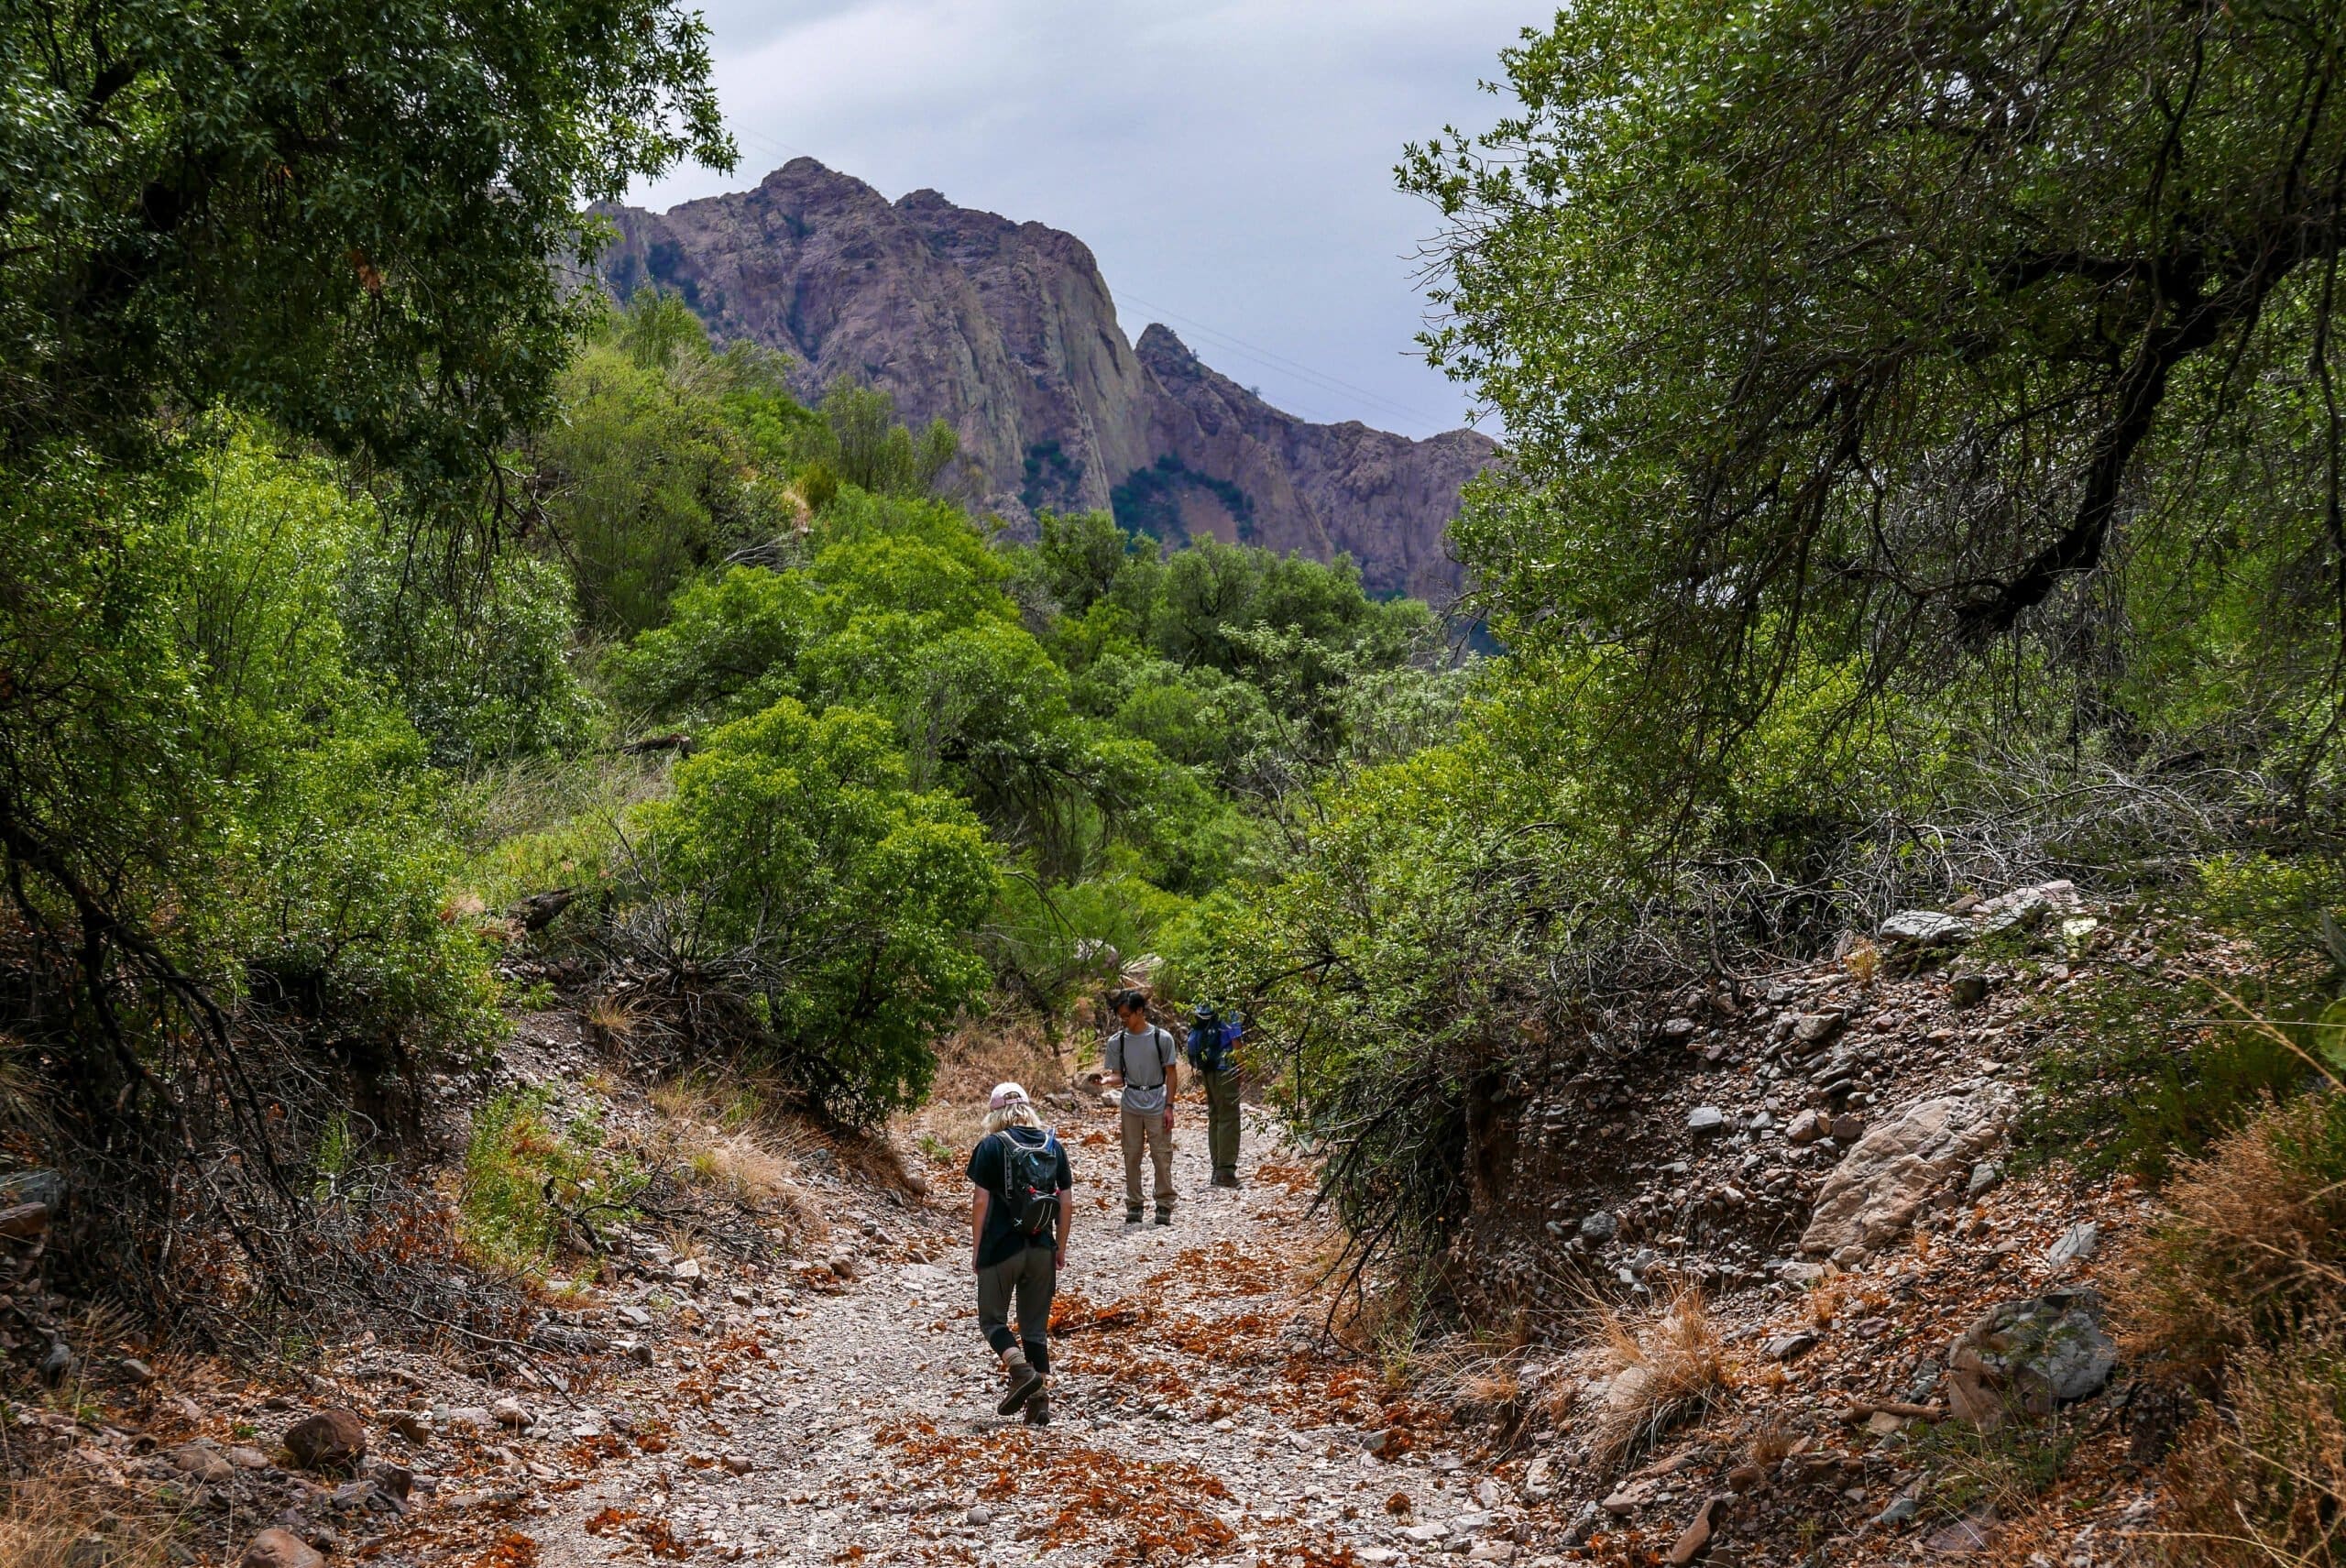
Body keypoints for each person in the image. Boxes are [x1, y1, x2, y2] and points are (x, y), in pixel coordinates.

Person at [965, 1081, 1072, 1425]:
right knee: (1034, 1330)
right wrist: (1061, 1247)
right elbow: (1066, 1201)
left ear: (995, 1112)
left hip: (1002, 1247)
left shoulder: (991, 1146)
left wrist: (977, 1248)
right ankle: (1040, 1402)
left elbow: (981, 1201)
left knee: (992, 1320)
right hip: (1042, 1246)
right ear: (1028, 1109)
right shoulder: (1052, 1145)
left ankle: (1020, 1369)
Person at [1103, 989, 1179, 1225]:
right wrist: (1106, 1081)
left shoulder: (1162, 1038)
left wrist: (1169, 1106)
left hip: (1157, 1100)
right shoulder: (1117, 1042)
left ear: (1140, 1011)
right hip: (1131, 1102)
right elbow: (1119, 1077)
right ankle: (1134, 1204)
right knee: (1131, 1154)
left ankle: (1164, 1204)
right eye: (1121, 1016)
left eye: (1127, 1015)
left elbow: (1171, 1074)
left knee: (1161, 1154)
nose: (1124, 1020)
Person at [1188, 1003, 1244, 1190]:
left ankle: (1217, 1168)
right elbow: (1236, 1043)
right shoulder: (1229, 1011)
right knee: (1229, 1117)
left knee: (1215, 1116)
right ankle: (1226, 1171)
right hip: (1225, 1069)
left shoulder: (1203, 1007)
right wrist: (1241, 1070)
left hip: (1208, 1069)